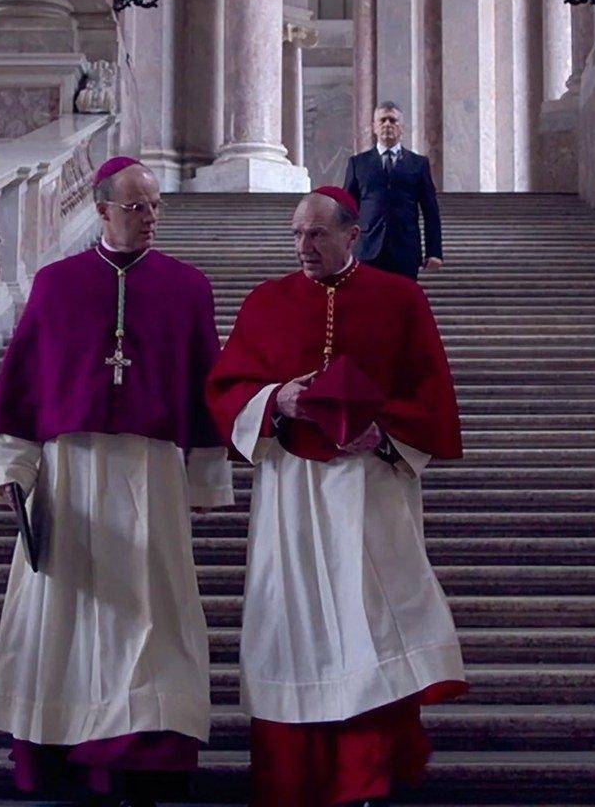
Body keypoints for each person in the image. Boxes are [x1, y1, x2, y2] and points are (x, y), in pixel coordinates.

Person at [0, 155, 233, 807]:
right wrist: (12, 470)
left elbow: (207, 386)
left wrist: (207, 479)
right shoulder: (56, 285)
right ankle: (66, 748)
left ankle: (149, 750)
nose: (149, 218)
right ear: (101, 209)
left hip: (153, 473)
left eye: (155, 206)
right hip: (70, 476)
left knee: (158, 614)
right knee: (66, 616)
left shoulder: (188, 287)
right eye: (135, 207)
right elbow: (25, 385)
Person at [206, 185, 466, 807]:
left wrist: (386, 429)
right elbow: (225, 387)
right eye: (296, 234)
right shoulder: (265, 302)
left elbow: (433, 393)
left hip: (371, 487)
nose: (304, 246)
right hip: (290, 491)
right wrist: (276, 399)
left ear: (354, 235)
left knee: (372, 622)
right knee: (289, 623)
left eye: (317, 234)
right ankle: (292, 777)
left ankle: (368, 773)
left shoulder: (400, 299)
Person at [341, 102, 445, 279]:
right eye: (382, 120)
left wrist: (434, 252)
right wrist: (342, 249)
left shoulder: (419, 164)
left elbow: (430, 211)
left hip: (405, 250)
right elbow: (346, 210)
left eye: (393, 120)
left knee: (403, 304)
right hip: (367, 249)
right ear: (374, 127)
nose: (387, 124)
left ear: (402, 127)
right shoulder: (358, 163)